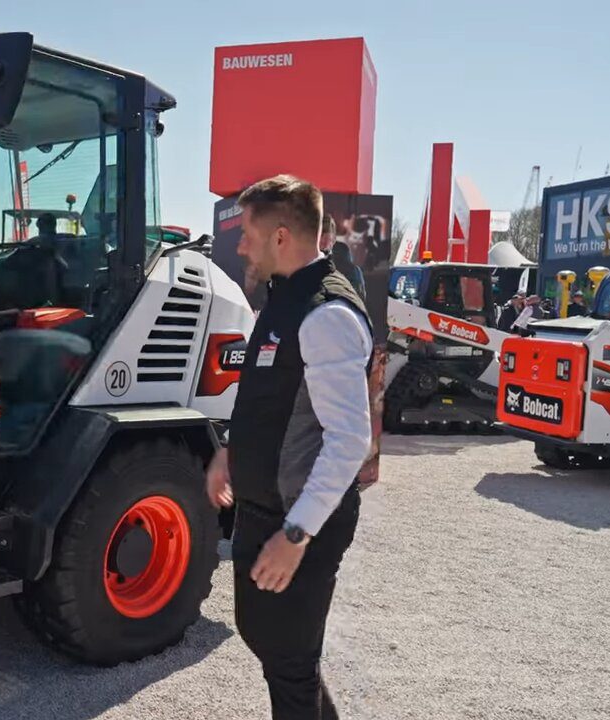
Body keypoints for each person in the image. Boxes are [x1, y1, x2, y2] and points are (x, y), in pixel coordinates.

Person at [206, 174, 372, 719]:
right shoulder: (283, 299)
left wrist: (296, 535)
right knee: (272, 646)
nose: (239, 245)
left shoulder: (328, 315)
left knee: (291, 665)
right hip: (264, 511)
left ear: (281, 236)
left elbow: (350, 442)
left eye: (247, 233)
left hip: (297, 523)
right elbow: (267, 395)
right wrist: (228, 449)